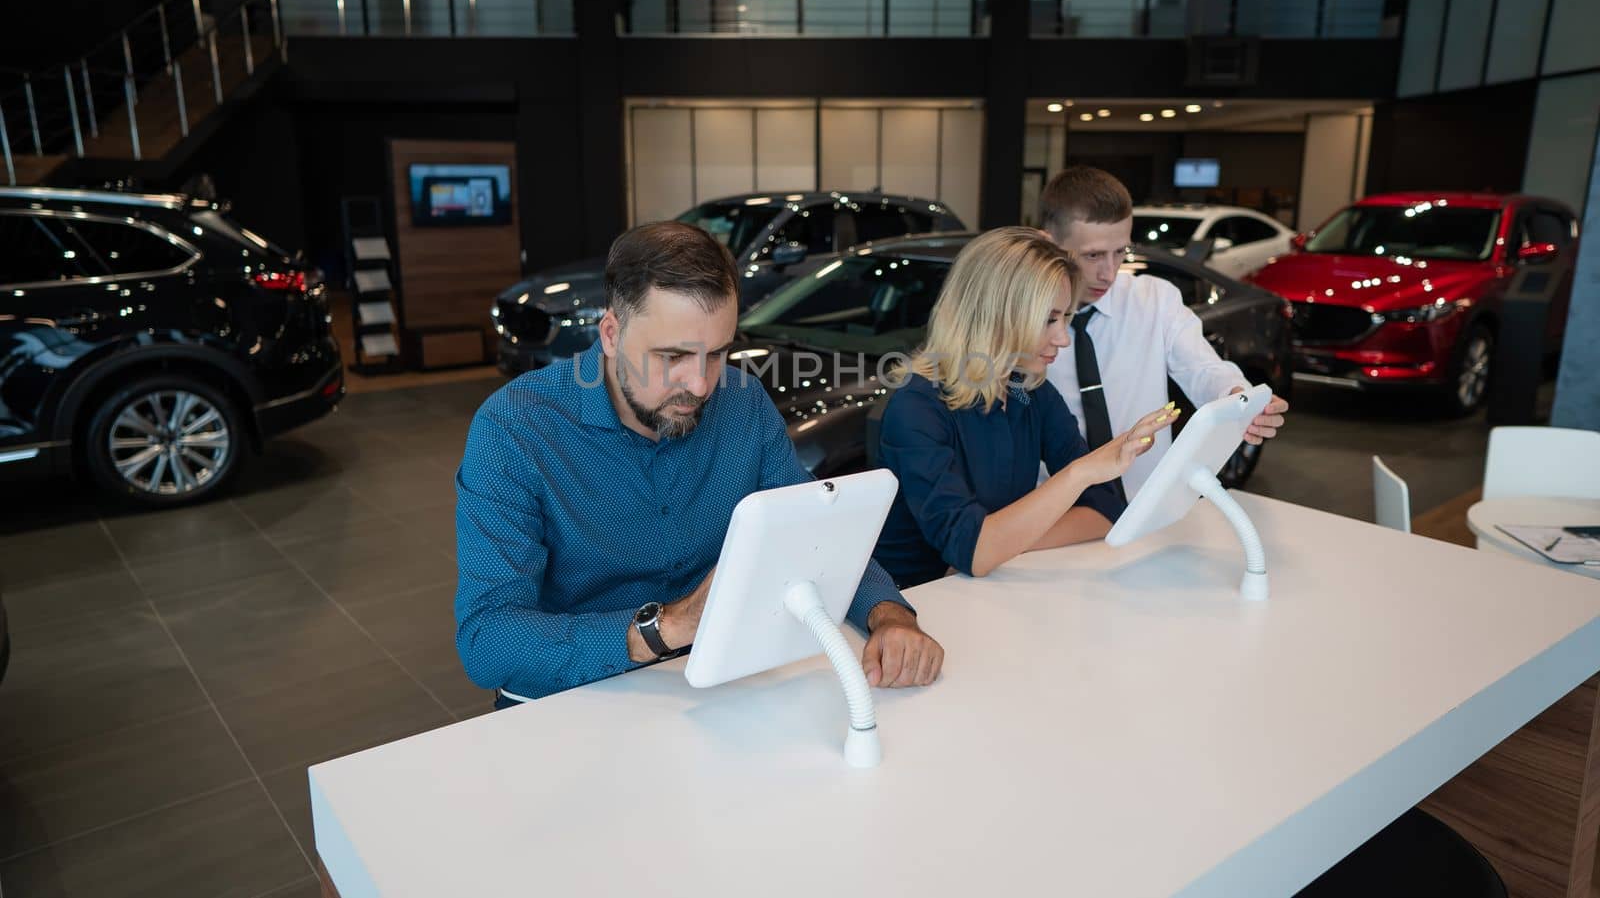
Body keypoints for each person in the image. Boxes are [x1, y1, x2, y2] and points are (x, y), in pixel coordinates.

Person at [455, 221, 944, 705]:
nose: (702, 385)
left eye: (717, 354)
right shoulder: (515, 429)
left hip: (716, 686)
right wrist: (669, 627)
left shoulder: (744, 402)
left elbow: (815, 538)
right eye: (672, 357)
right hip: (571, 701)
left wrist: (889, 616)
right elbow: (488, 639)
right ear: (610, 333)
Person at [872, 227, 1178, 588]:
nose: (1063, 338)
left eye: (1065, 318)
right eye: (1049, 319)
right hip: (915, 610)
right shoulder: (916, 409)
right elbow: (972, 550)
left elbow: (1106, 510)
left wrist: (1005, 547)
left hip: (990, 594)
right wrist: (1080, 473)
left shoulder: (1029, 392)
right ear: (994, 314)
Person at [1038, 166, 1289, 499]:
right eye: (1093, 255)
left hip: (1143, 501)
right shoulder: (1018, 315)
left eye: (1120, 252)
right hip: (1049, 506)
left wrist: (1238, 400)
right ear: (1048, 242)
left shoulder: (1155, 299)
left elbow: (1203, 369)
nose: (1109, 272)